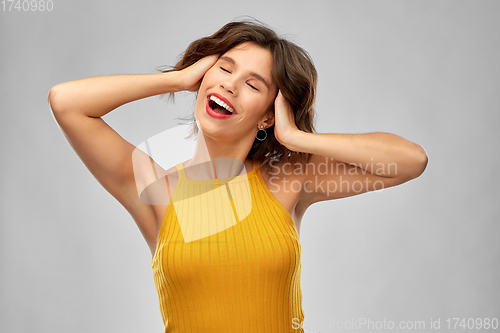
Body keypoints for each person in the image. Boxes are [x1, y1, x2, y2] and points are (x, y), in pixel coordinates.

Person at [48, 19, 428, 333]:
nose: (230, 84)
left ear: (268, 115)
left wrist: (295, 137)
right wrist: (178, 80)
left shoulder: (288, 179)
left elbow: (410, 160)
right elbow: (67, 102)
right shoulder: (155, 189)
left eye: (252, 84)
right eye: (225, 69)